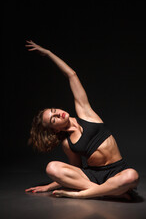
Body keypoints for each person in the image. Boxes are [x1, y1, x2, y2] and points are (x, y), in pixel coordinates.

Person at [25, 40, 139, 200]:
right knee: (52, 168)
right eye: (53, 119)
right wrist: (49, 186)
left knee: (132, 176)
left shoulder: (85, 112)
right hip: (92, 176)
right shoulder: (67, 143)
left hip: (117, 171)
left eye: (54, 111)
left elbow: (71, 75)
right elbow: (75, 170)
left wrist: (49, 53)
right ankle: (109, 191)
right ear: (55, 129)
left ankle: (84, 194)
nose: (57, 114)